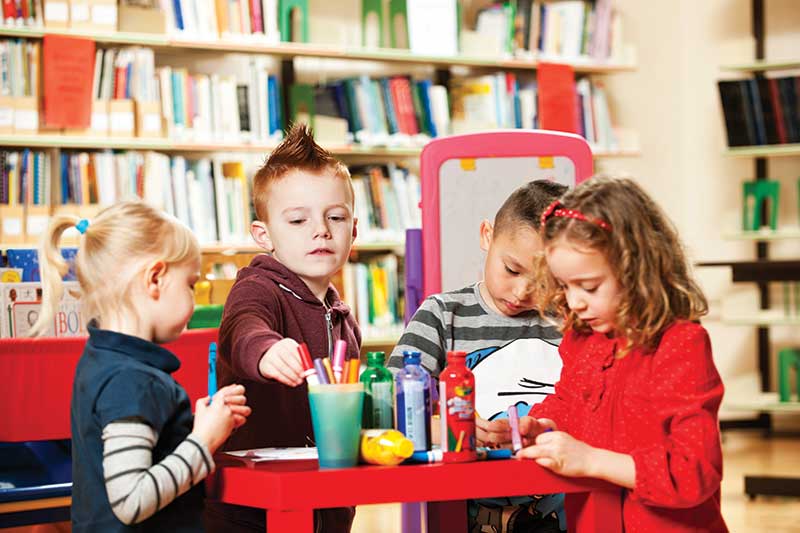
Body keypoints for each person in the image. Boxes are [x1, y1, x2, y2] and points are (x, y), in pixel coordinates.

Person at [509, 175, 727, 531]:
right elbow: (569, 405)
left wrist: (592, 460)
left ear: (636, 269)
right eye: (565, 285)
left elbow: (694, 472)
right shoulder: (583, 339)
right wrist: (543, 427)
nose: (575, 301)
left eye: (589, 286)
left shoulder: (679, 345)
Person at [30, 201, 251, 532]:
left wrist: (195, 430)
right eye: (191, 284)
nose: (194, 299)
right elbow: (131, 500)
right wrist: (203, 441)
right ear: (155, 278)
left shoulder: (104, 361)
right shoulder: (131, 380)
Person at [389, 180, 569, 532]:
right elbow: (389, 410)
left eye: (545, 281)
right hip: (466, 515)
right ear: (487, 235)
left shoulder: (572, 318)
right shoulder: (443, 315)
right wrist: (451, 430)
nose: (521, 292)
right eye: (512, 270)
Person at [206, 124, 360, 533]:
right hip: (254, 506)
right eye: (297, 220)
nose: (321, 230)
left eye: (336, 217)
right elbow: (242, 328)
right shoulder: (257, 287)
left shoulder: (341, 314)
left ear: (353, 231)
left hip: (326, 502)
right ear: (264, 235)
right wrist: (266, 350)